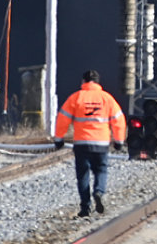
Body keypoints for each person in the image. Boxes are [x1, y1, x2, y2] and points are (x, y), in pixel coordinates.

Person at [53, 70, 126, 217]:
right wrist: (119, 141)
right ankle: (99, 191)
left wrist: (58, 138)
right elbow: (118, 121)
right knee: (101, 170)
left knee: (83, 175)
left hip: (81, 143)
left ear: (83, 82)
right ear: (98, 83)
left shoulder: (76, 97)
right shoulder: (107, 98)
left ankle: (85, 208)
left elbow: (63, 118)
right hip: (101, 143)